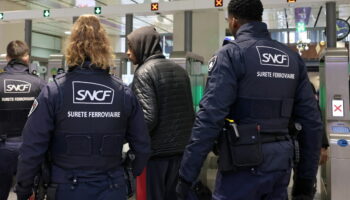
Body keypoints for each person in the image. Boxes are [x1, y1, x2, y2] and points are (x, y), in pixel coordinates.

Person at [176, 0, 323, 200]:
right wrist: (305, 181)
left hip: (240, 167)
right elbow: (311, 122)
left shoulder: (230, 54)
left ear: (234, 21)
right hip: (280, 164)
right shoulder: (292, 58)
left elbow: (210, 118)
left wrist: (186, 176)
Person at [15, 15, 151, 200]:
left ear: (72, 46)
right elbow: (142, 146)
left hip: (66, 188)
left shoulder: (54, 92)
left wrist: (24, 188)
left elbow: (32, 146)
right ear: (105, 46)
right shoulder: (123, 93)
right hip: (112, 186)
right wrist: (126, 173)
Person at [127, 26, 195, 200]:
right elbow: (189, 113)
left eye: (131, 46)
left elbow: (147, 119)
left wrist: (126, 136)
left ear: (143, 46)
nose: (128, 52)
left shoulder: (144, 73)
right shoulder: (180, 71)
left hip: (155, 157)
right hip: (180, 153)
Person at [0, 40, 46, 200]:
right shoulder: (40, 84)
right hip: (30, 151)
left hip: (2, 150)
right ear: (26, 58)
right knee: (28, 194)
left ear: (7, 57)